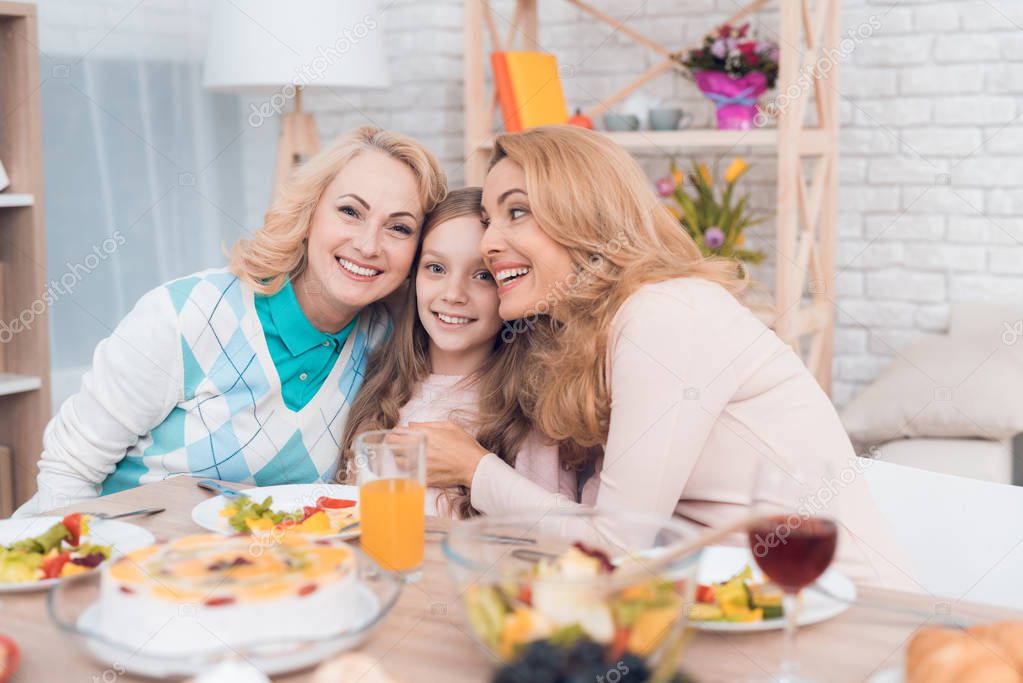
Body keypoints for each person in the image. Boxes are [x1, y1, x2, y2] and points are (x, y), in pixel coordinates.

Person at [413, 125, 914, 589]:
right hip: (734, 599)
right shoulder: (590, 336)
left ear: (587, 216)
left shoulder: (664, 314)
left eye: (516, 212)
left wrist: (473, 469)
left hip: (842, 607)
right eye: (487, 220)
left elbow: (615, 544)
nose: (488, 243)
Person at [15, 126, 447, 515]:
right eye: (350, 212)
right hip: (118, 565)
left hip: (247, 582)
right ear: (310, 211)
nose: (368, 244)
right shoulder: (187, 314)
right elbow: (67, 472)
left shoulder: (384, 344)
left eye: (399, 228)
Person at [340, 187, 574, 518]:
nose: (453, 294)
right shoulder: (377, 385)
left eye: (482, 276)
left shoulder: (530, 412)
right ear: (414, 277)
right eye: (436, 268)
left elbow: (551, 537)